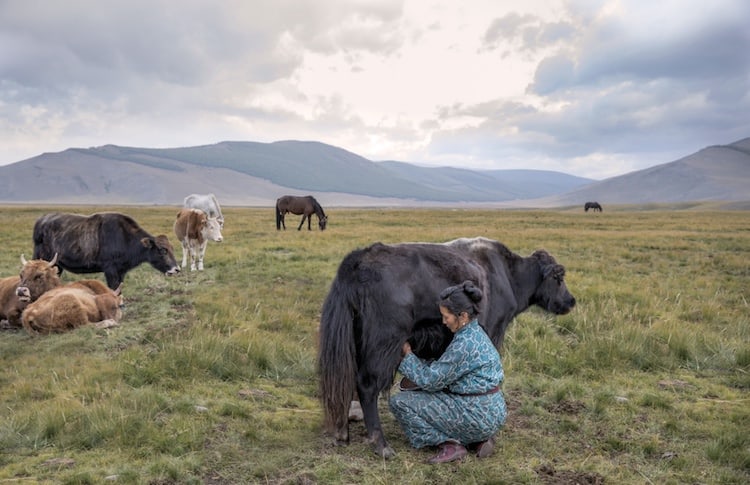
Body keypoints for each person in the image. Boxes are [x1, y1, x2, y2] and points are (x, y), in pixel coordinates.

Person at [389, 280, 507, 464]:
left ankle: (449, 444)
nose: (443, 322)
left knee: (399, 402)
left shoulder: (463, 345)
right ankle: (479, 439)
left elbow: (430, 381)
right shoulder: (476, 334)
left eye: (447, 316)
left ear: (463, 316)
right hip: (494, 410)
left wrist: (407, 355)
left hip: (476, 414)